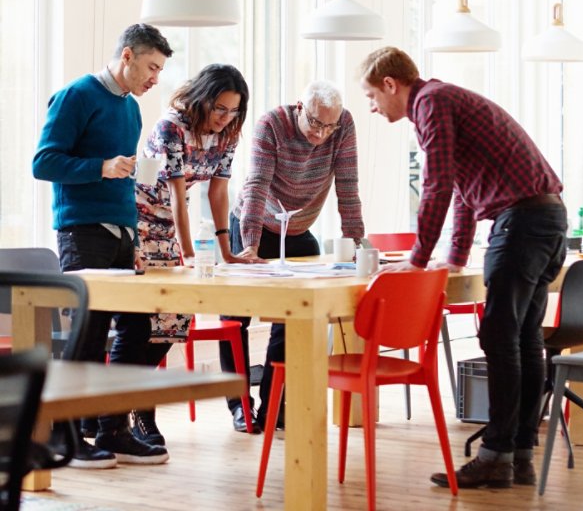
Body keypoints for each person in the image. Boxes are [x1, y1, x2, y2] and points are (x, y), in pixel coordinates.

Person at [358, 46, 567, 489]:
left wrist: (417, 260)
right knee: (524, 337)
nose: (373, 108)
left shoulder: (431, 103)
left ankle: (495, 455)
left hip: (523, 223)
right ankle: (519, 455)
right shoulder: (444, 100)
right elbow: (461, 188)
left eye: (372, 97)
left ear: (391, 84)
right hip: (547, 218)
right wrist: (452, 256)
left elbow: (435, 184)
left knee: (499, 336)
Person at [32, 23, 174, 468]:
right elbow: (44, 162)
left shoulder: (131, 109)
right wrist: (102, 165)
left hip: (122, 234)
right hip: (82, 232)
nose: (155, 78)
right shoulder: (76, 95)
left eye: (161, 70)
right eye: (152, 67)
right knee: (89, 335)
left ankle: (114, 429)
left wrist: (134, 237)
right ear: (127, 56)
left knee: (134, 330)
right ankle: (68, 437)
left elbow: (123, 176)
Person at [219, 79, 365, 432]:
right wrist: (249, 245)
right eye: (315, 123)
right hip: (256, 223)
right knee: (235, 318)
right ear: (300, 108)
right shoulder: (272, 125)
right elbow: (255, 185)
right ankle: (240, 406)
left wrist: (357, 245)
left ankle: (275, 405)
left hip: (298, 230)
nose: (320, 133)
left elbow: (348, 187)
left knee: (292, 317)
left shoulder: (342, 124)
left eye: (328, 126)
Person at [129, 63, 254, 446]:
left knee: (174, 321)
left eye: (233, 110)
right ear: (202, 99)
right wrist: (186, 252)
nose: (225, 117)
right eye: (220, 108)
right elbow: (176, 195)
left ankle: (129, 400)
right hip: (142, 222)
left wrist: (227, 251)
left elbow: (217, 192)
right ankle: (138, 413)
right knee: (146, 324)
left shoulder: (228, 133)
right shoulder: (172, 127)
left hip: (174, 224)